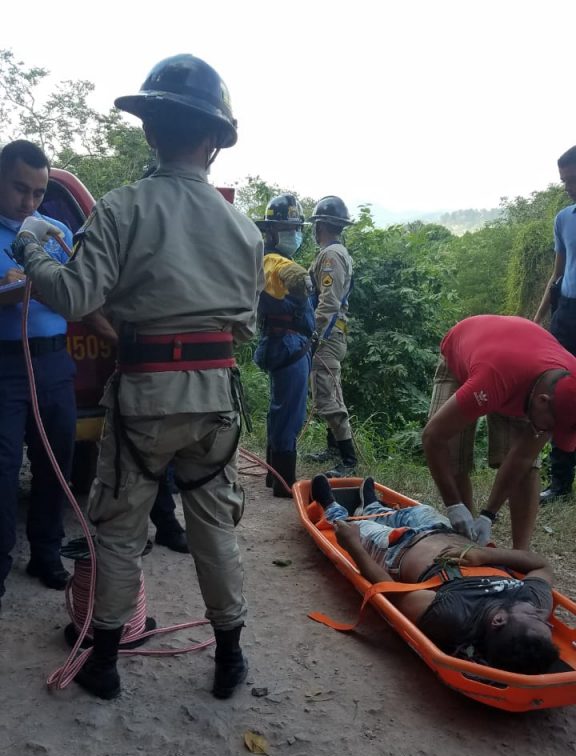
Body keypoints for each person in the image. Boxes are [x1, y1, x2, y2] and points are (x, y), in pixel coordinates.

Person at [12, 54, 264, 701]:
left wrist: (30, 247)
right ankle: (229, 657)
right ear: (213, 142)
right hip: (216, 396)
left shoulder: (123, 208)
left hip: (146, 393)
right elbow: (244, 327)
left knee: (120, 531)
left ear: (149, 131)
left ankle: (104, 665)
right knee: (215, 528)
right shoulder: (243, 229)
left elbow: (74, 296)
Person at [311, 474, 559, 675]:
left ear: (499, 620)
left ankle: (334, 511)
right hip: (442, 529)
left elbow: (391, 592)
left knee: (354, 527)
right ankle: (373, 506)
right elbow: (541, 565)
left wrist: (353, 545)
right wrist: (485, 555)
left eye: (534, 617)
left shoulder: (452, 616)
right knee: (420, 510)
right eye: (546, 622)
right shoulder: (534, 602)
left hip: (396, 547)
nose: (542, 615)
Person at [422, 314, 576, 550]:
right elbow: (433, 436)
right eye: (550, 428)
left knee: (528, 468)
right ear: (542, 401)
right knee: (452, 452)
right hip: (471, 353)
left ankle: (521, 552)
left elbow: (522, 458)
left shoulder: (567, 388)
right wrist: (454, 505)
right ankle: (467, 539)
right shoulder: (493, 379)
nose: (548, 434)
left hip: (521, 366)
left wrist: (488, 515)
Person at [0, 140, 76, 612]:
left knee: (56, 460)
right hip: (5, 364)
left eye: (39, 192)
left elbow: (79, 291)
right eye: (19, 189)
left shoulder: (57, 232)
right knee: (3, 466)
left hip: (54, 362)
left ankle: (46, 554)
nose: (29, 202)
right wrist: (25, 286)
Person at [253, 194, 314, 497]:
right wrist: (302, 282)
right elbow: (296, 277)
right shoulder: (272, 260)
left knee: (283, 411)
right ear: (271, 231)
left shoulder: (271, 259)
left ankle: (274, 475)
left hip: (287, 344)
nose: (295, 234)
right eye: (288, 228)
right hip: (288, 345)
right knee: (289, 415)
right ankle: (284, 482)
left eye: (296, 228)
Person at [534, 146, 576, 503]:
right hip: (568, 312)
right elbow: (557, 274)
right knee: (561, 392)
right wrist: (537, 320)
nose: (568, 188)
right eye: (564, 181)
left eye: (573, 180)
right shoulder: (564, 218)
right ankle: (560, 482)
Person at [306, 196, 356, 477]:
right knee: (325, 390)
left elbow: (329, 302)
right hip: (333, 333)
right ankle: (333, 448)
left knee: (327, 394)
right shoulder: (335, 252)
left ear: (321, 225)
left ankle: (348, 459)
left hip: (328, 334)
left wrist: (314, 336)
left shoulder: (332, 256)